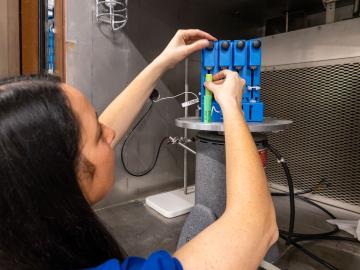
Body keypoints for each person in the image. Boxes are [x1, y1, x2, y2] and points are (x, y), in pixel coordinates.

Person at [0, 29, 278, 270]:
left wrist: (162, 62)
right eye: (99, 135)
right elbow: (257, 226)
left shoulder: (22, 217)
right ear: (55, 175)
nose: (110, 132)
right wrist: (231, 105)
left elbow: (91, 138)